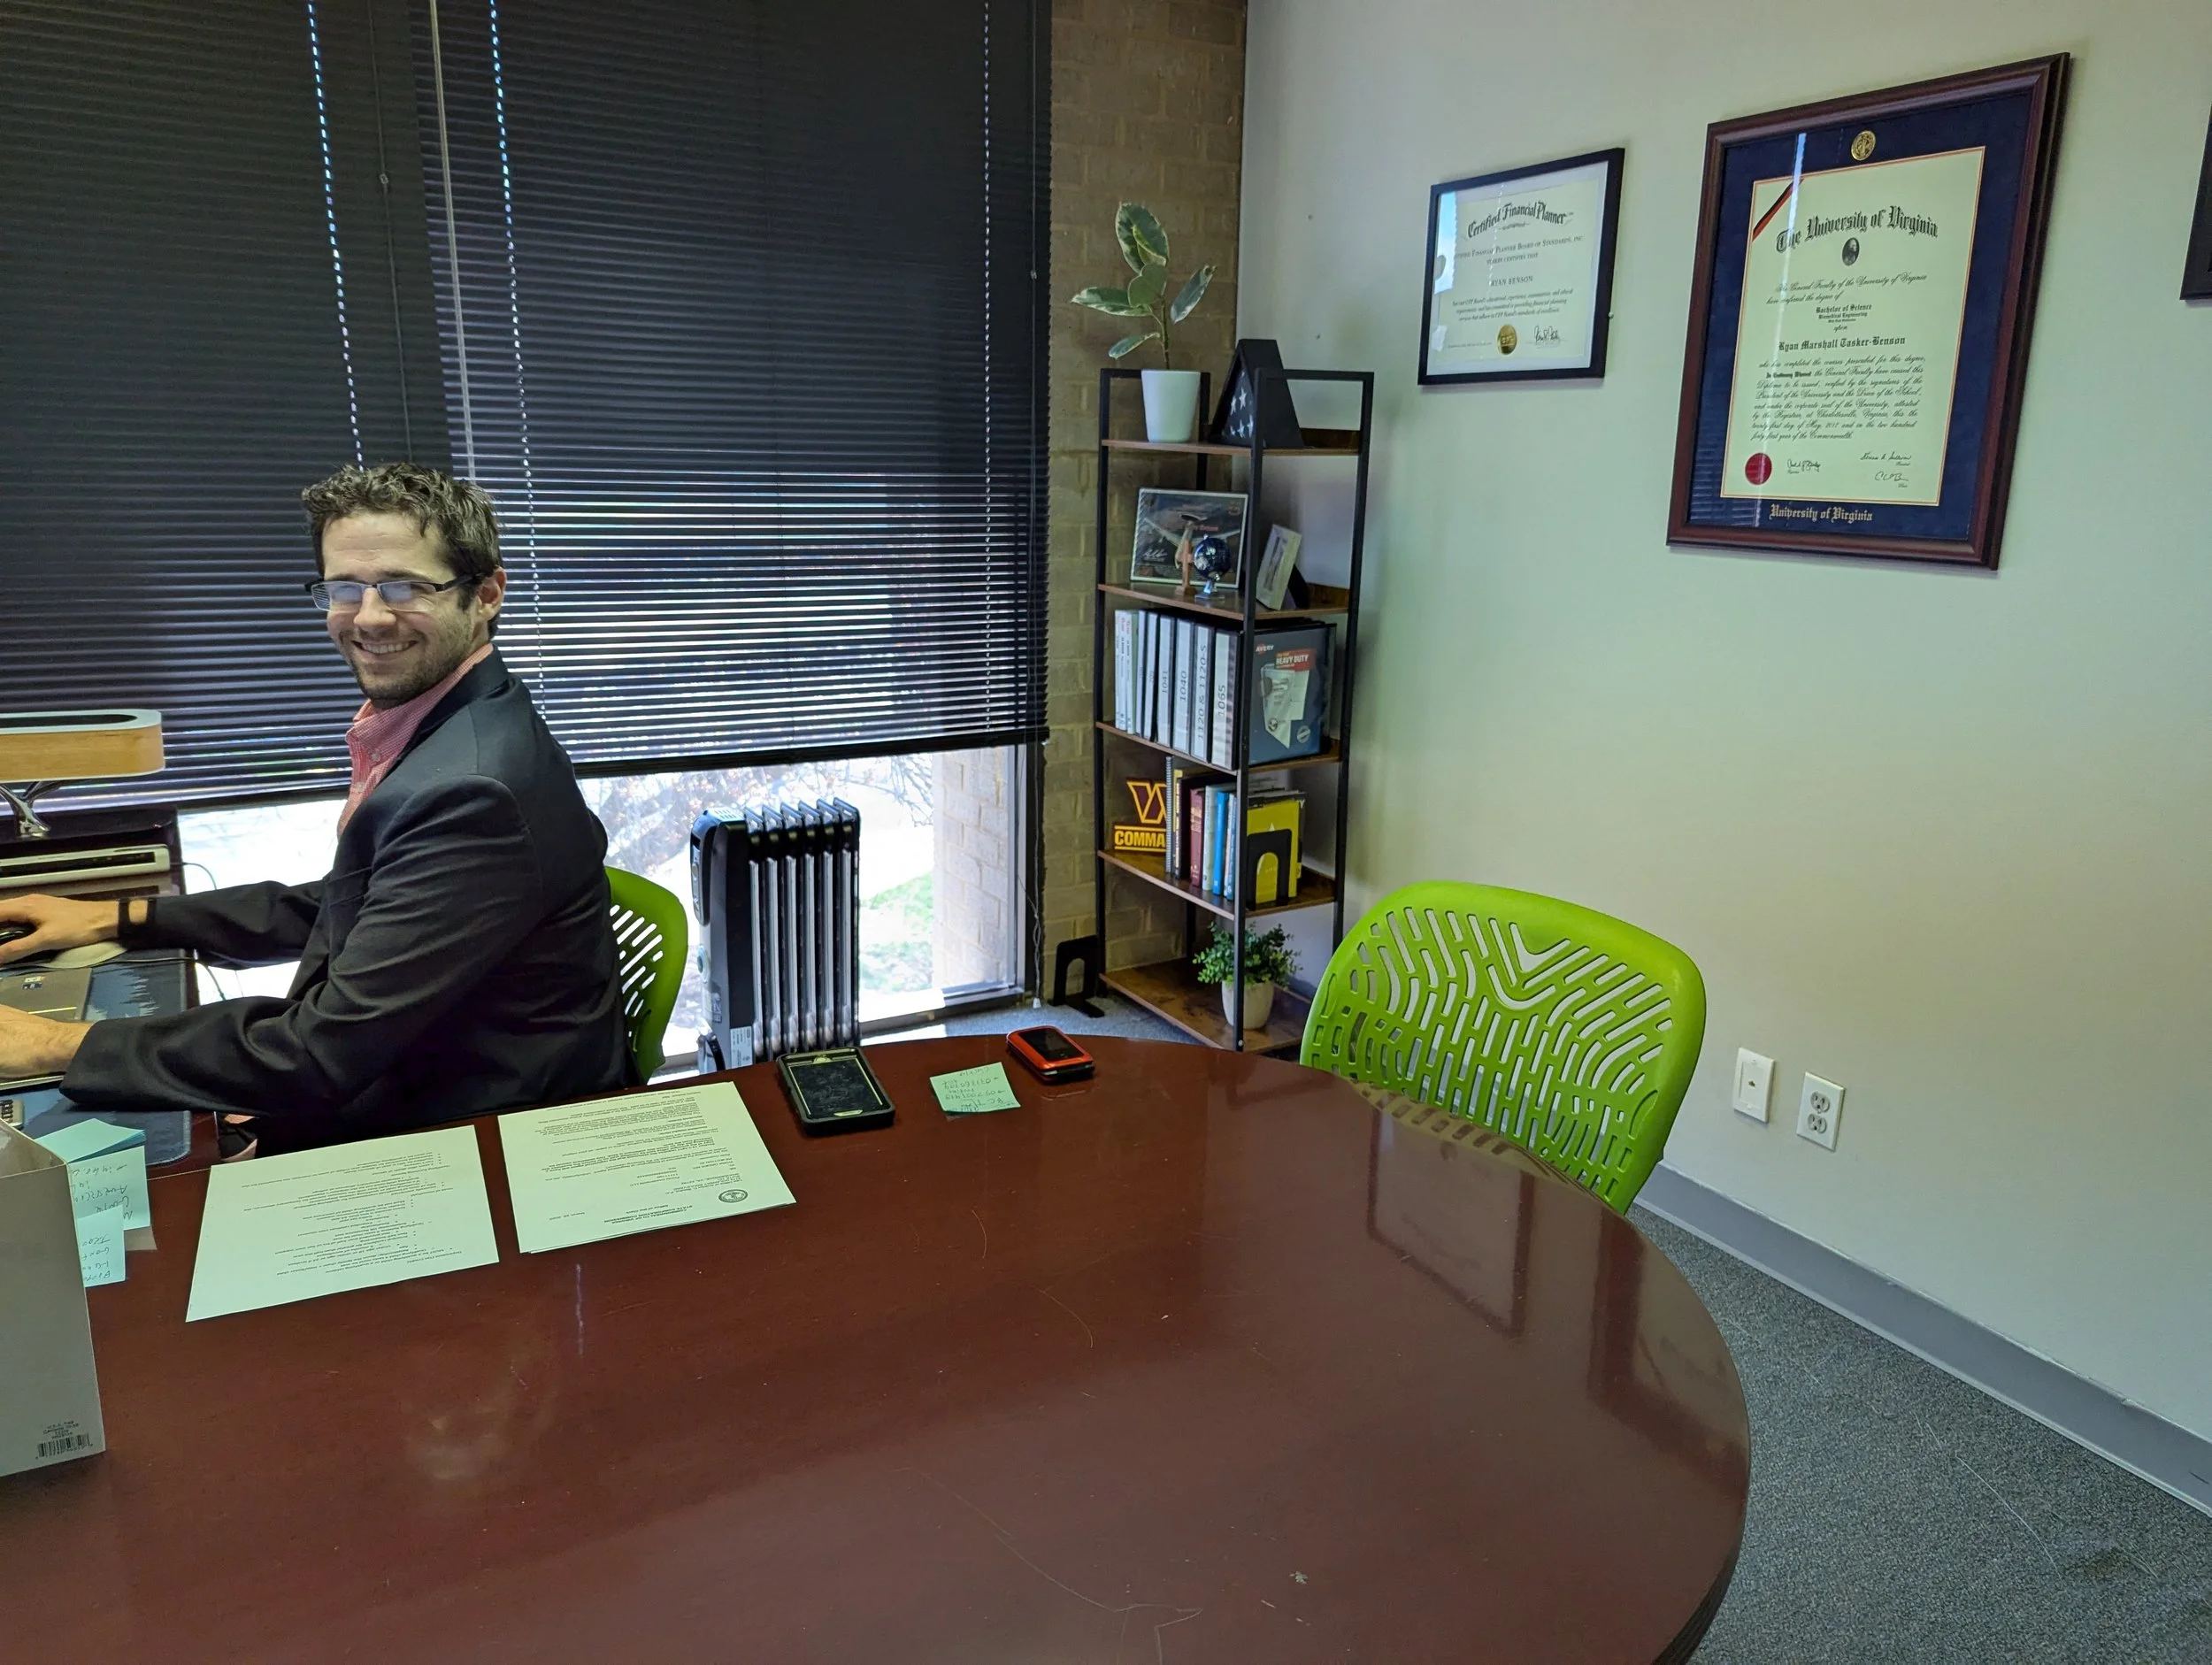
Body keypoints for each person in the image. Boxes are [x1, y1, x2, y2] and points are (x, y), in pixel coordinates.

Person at [0, 464, 631, 1154]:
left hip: (485, 1130)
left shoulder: (475, 788)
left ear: (485, 594)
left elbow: (319, 1055)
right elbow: (345, 905)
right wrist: (121, 915)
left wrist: (55, 1044)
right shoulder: (440, 722)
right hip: (417, 1074)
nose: (368, 617)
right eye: (344, 589)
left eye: (405, 587)